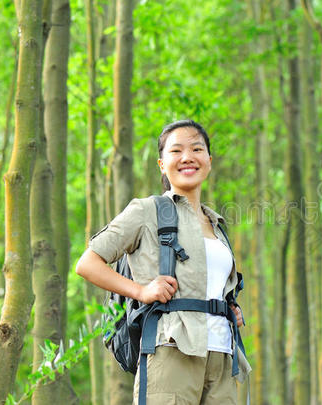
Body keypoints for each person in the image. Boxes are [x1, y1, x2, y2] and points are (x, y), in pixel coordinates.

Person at [76, 119, 250, 405]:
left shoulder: (217, 225)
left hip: (222, 355)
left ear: (209, 160)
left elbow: (209, 286)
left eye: (197, 149)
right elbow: (88, 263)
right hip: (170, 350)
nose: (187, 157)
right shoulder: (147, 211)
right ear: (161, 164)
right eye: (176, 150)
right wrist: (141, 291)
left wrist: (230, 308)